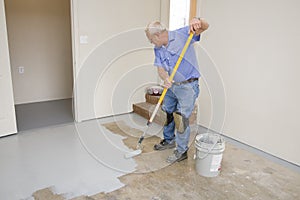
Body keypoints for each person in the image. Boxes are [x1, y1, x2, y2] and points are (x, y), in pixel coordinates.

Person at [145, 17, 209, 163]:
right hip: (172, 85)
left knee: (180, 118)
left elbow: (205, 26)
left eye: (151, 39)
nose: (151, 42)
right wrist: (165, 78)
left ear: (157, 35)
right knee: (168, 111)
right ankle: (169, 140)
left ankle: (181, 151)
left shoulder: (183, 34)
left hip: (188, 86)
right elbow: (160, 68)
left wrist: (198, 21)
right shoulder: (158, 49)